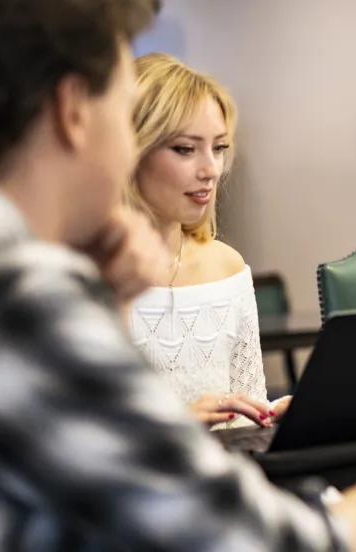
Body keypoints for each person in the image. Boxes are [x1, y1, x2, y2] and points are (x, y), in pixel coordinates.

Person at [0, 1, 356, 550]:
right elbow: (233, 538)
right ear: (74, 110)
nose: (210, 168)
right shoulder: (17, 292)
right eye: (124, 105)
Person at [126, 52, 284, 429]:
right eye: (185, 148)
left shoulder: (228, 268)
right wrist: (176, 428)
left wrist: (274, 418)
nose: (211, 169)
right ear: (129, 149)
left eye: (219, 148)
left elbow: (248, 416)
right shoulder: (78, 275)